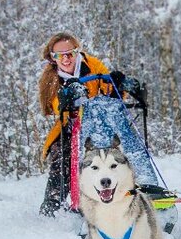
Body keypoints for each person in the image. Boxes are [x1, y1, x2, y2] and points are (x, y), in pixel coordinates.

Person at [37, 32, 121, 216]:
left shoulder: (92, 65)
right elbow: (55, 106)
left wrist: (118, 86)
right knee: (62, 153)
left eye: (70, 54)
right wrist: (68, 97)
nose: (65, 59)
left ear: (77, 51)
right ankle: (53, 204)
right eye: (59, 55)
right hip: (69, 125)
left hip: (98, 122)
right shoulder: (51, 78)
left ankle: (123, 195)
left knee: (117, 150)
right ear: (53, 58)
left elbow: (109, 88)